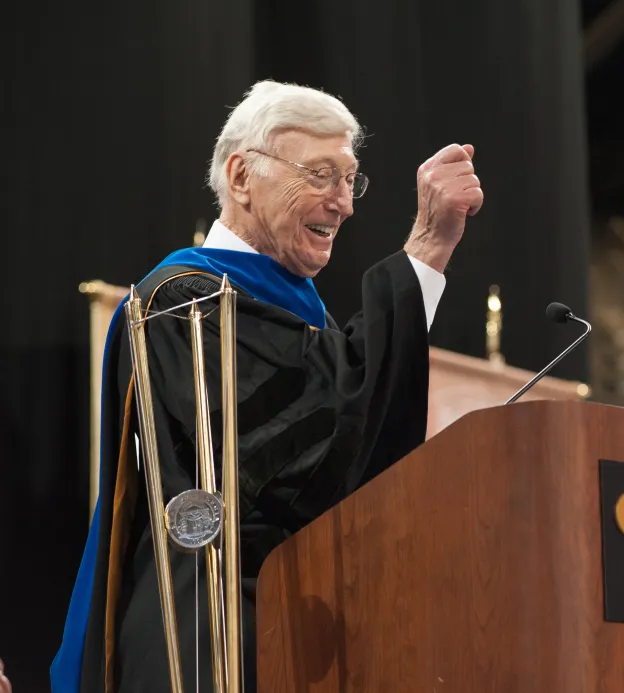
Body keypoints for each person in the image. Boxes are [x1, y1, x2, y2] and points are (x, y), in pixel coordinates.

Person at [51, 80, 484, 692]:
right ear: (241, 175)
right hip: (214, 639)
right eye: (320, 174)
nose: (344, 202)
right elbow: (304, 448)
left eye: (349, 179)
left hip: (293, 632)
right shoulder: (186, 300)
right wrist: (426, 249)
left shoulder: (295, 319)